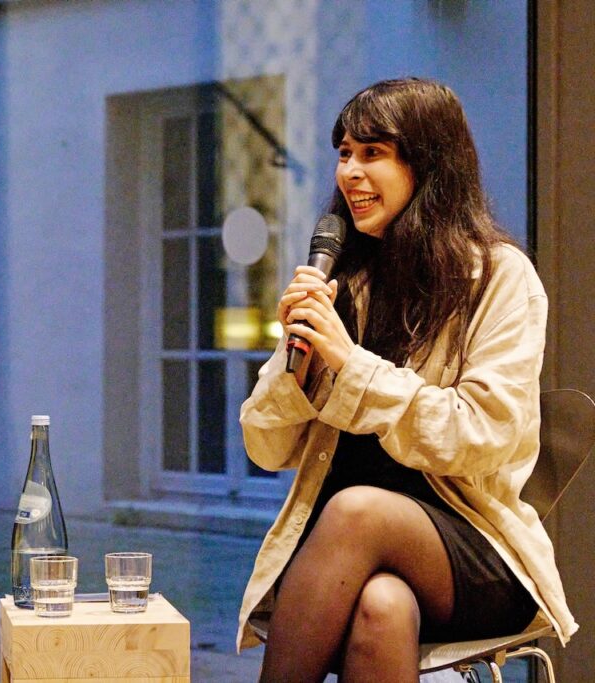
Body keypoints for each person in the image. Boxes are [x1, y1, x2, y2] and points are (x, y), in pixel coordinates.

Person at [235, 78, 576, 681]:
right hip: (351, 559)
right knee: (381, 606)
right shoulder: (345, 281)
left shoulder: (498, 276)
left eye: (373, 153)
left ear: (430, 163)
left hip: (473, 551)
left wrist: (350, 364)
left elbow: (483, 434)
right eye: (343, 153)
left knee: (358, 509)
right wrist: (301, 366)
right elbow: (264, 447)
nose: (350, 173)